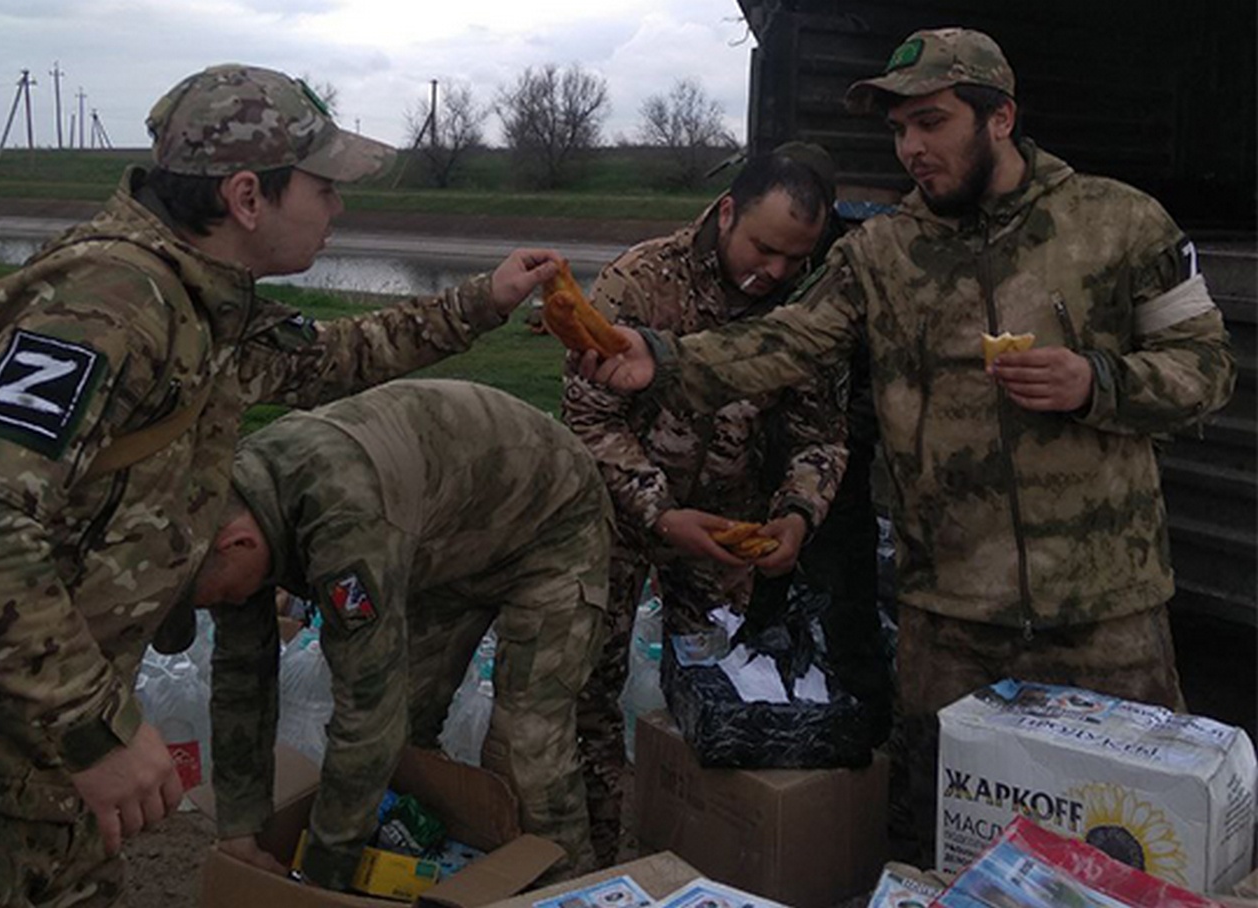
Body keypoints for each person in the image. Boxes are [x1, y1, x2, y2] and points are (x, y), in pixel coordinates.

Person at [583, 27, 1235, 859]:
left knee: (1138, 845)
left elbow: (1208, 370)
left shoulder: (1121, 225)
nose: (910, 148)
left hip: (1106, 617)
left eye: (930, 122)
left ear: (999, 118)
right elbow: (784, 343)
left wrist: (1097, 384)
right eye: (899, 130)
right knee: (944, 846)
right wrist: (664, 359)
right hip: (949, 625)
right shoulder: (882, 252)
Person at [0, 63, 561, 906]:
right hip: (9, 721)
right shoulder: (108, 302)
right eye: (324, 187)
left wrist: (483, 301)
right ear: (248, 197)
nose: (339, 208)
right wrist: (93, 729)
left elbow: (332, 359)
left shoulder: (207, 304)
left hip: (36, 721)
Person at [193, 378, 610, 888]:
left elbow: (368, 713)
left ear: (239, 543)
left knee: (527, 742)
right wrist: (240, 828)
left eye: (224, 596)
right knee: (407, 725)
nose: (229, 607)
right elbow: (241, 676)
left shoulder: (344, 519)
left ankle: (570, 887)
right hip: (445, 540)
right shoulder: (221, 515)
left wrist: (322, 878)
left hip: (551, 526)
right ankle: (432, 869)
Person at [561, 146, 850, 864]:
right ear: (727, 213)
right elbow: (589, 416)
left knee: (721, 692)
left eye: (797, 258)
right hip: (620, 521)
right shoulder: (641, 278)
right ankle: (595, 861)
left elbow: (822, 437)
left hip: (728, 534)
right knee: (586, 693)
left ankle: (707, 851)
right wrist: (658, 512)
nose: (775, 271)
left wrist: (796, 516)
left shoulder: (806, 311)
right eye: (764, 248)